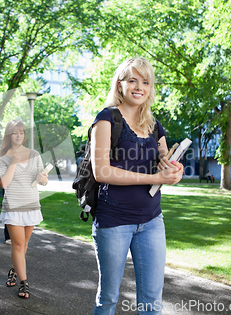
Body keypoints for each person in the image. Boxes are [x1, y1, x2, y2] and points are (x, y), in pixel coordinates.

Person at [90, 57, 184, 314]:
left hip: (152, 220)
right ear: (120, 84)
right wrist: (155, 178)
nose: (139, 86)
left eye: (145, 82)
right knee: (108, 297)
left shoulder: (153, 124)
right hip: (114, 221)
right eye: (132, 80)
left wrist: (175, 170)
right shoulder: (106, 119)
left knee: (152, 299)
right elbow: (102, 172)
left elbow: (165, 161)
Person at [0, 119, 48, 299]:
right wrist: (14, 162)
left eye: (22, 132)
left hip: (32, 204)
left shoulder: (34, 154)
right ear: (9, 135)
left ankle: (14, 269)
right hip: (13, 206)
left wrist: (43, 178)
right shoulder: (3, 157)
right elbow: (4, 183)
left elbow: (43, 180)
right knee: (18, 244)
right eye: (15, 133)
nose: (19, 136)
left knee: (23, 245)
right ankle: (24, 283)